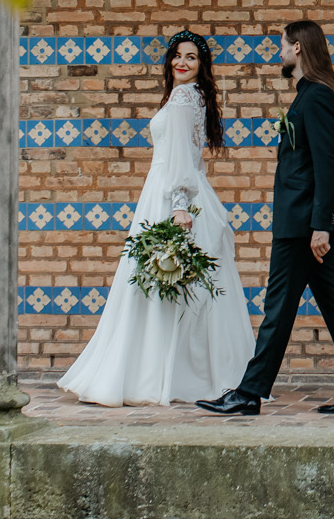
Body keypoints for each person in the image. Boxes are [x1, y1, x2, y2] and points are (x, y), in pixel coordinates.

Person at [57, 30, 252, 405]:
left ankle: (157, 376)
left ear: (202, 66)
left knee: (168, 283)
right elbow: (192, 157)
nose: (182, 61)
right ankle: (182, 374)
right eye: (177, 55)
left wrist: (179, 205)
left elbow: (182, 156)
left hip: (172, 195)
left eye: (191, 57)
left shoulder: (182, 97)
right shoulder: (194, 97)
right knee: (179, 286)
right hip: (181, 190)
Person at [199, 19, 334, 416]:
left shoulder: (315, 97)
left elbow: (327, 165)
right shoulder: (309, 96)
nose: (278, 51)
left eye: (282, 44)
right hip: (302, 223)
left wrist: (321, 226)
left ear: (298, 48)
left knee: (277, 307)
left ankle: (249, 392)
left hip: (302, 226)